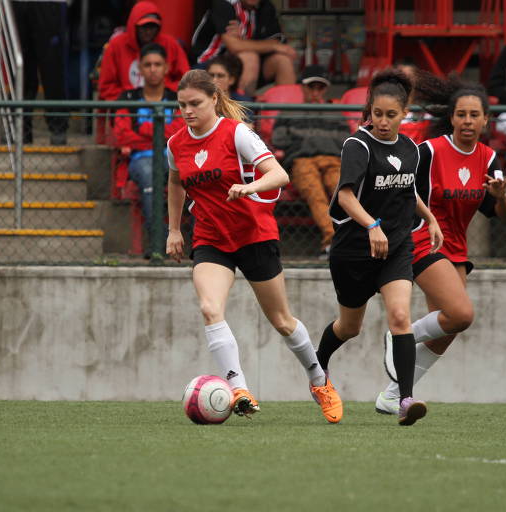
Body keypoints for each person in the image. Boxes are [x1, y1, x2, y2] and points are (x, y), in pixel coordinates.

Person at [165, 69, 342, 423]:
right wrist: (173, 229)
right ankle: (239, 389)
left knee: (282, 320)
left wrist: (249, 188)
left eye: (195, 103)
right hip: (211, 238)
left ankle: (319, 380)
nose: (187, 111)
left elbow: (280, 174)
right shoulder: (175, 144)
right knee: (209, 307)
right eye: (182, 105)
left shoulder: (237, 134)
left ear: (214, 99)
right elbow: (174, 182)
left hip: (254, 234)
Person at [370, 81, 506, 414]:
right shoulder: (429, 151)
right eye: (461, 114)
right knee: (462, 313)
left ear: (485, 121)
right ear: (451, 118)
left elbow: (502, 214)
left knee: (448, 329)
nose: (467, 120)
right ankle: (400, 336)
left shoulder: (490, 158)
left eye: (474, 115)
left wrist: (502, 197)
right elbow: (401, 188)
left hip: (457, 249)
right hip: (422, 238)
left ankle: (391, 395)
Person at [315, 70, 443, 426]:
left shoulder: (412, 150)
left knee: (400, 317)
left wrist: (430, 218)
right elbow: (344, 195)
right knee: (349, 327)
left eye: (391, 115)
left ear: (405, 114)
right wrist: (371, 224)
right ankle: (317, 364)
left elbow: (407, 190)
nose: (383, 121)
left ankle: (404, 399)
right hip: (354, 252)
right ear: (369, 112)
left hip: (396, 246)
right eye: (377, 114)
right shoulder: (357, 146)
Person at [271, 65, 350, 257]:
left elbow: (345, 141)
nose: (315, 91)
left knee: (342, 192)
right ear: (302, 87)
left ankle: (341, 242)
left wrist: (305, 140)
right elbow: (277, 139)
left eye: (320, 87)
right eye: (311, 86)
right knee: (316, 193)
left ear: (325, 89)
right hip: (302, 160)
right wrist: (310, 142)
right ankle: (332, 240)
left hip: (333, 160)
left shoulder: (336, 113)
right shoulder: (289, 112)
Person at [113, 43, 184, 249]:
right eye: (148, 65)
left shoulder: (177, 98)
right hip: (139, 160)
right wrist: (161, 132)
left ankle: (199, 246)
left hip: (173, 159)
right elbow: (123, 136)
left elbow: (180, 134)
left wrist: (143, 128)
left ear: (166, 67)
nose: (153, 69)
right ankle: (160, 244)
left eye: (157, 64)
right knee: (148, 173)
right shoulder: (127, 98)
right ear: (140, 69)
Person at [191, 0, 297, 95]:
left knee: (283, 61)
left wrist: (243, 41)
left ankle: (284, 114)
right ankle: (245, 111)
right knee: (250, 56)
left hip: (246, 67)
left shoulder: (266, 7)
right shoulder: (224, 4)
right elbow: (234, 46)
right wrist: (273, 46)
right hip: (208, 64)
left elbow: (275, 40)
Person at [98, 1, 190, 101]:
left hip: (164, 106)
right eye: (144, 27)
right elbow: (105, 88)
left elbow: (186, 82)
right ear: (134, 26)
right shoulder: (116, 45)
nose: (148, 31)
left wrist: (163, 93)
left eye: (152, 27)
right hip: (126, 108)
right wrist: (130, 97)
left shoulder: (170, 44)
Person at [12, 0, 69, 145]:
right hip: (18, 4)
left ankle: (58, 126)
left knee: (52, 68)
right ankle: (20, 128)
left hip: (49, 4)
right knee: (22, 70)